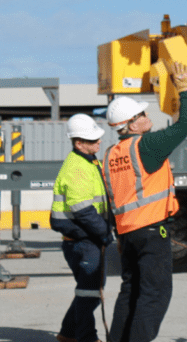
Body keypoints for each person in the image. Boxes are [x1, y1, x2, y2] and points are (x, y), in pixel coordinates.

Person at [102, 61, 187, 342]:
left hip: (128, 234)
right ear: (131, 124)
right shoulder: (147, 145)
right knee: (155, 294)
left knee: (130, 290)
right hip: (152, 232)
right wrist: (185, 89)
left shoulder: (110, 154)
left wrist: (118, 234)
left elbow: (113, 200)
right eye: (142, 114)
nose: (147, 115)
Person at [51, 114, 112, 342]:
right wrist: (105, 234)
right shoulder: (77, 168)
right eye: (93, 139)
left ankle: (67, 333)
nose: (99, 142)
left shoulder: (90, 160)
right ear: (78, 143)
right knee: (90, 292)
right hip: (83, 240)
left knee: (87, 290)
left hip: (86, 238)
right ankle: (87, 337)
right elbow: (84, 211)